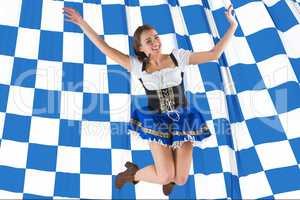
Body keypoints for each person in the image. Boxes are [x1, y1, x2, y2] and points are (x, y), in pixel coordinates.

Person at [63, 4, 237, 195]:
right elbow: (105, 48)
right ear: (140, 48)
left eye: (156, 37)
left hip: (184, 120)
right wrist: (81, 23)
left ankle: (168, 175)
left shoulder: (178, 57)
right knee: (164, 176)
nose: (155, 42)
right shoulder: (137, 65)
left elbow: (214, 54)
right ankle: (132, 174)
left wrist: (233, 26)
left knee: (179, 179)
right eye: (148, 41)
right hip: (156, 121)